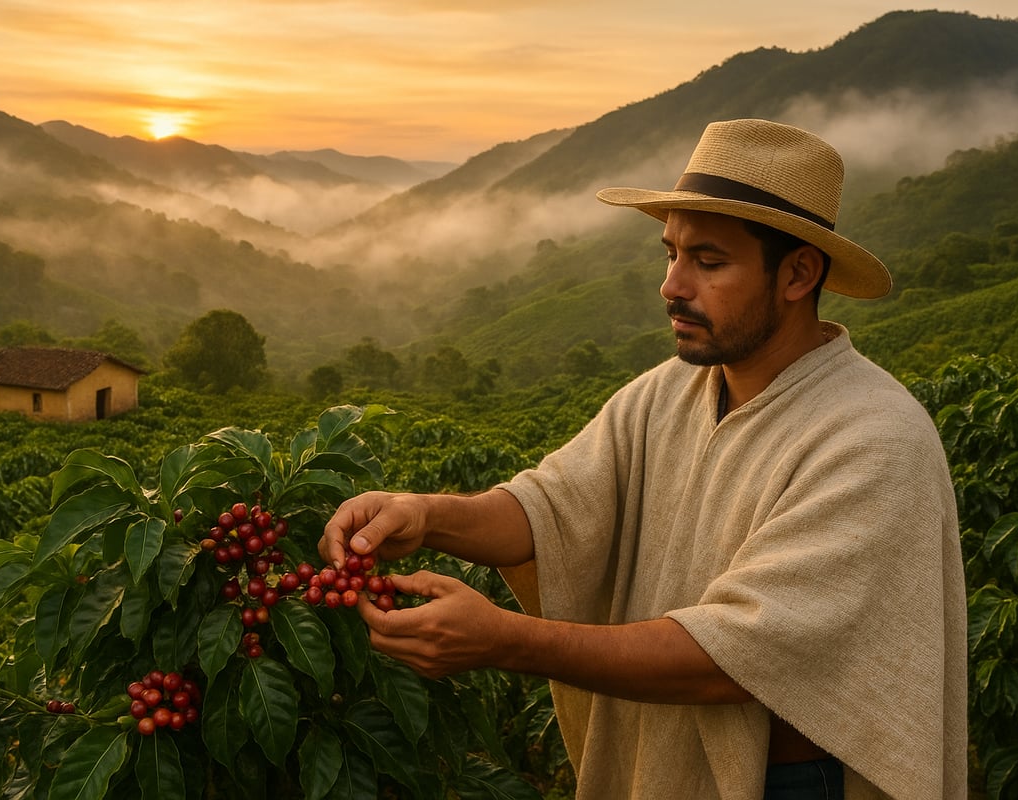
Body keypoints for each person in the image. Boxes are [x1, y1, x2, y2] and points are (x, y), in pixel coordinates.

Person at [320, 119, 967, 800]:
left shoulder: (873, 438)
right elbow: (551, 509)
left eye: (708, 262)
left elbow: (733, 655)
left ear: (799, 273)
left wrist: (505, 639)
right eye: (670, 254)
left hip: (794, 783)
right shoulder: (668, 394)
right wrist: (424, 515)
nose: (672, 285)